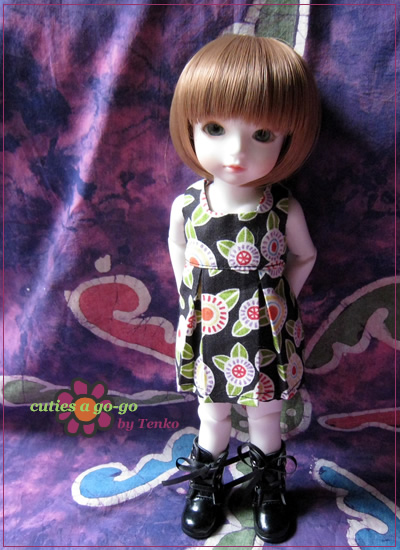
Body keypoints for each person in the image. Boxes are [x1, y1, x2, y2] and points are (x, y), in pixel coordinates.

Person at [165, 34, 319, 543]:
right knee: (211, 414)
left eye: (262, 134)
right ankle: (207, 482)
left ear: (287, 140)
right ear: (190, 126)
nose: (236, 152)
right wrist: (188, 292)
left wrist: (279, 299)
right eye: (214, 128)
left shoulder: (281, 208)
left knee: (265, 415)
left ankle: (268, 485)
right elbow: (178, 247)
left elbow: (305, 255)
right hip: (208, 329)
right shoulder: (188, 205)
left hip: (265, 334)